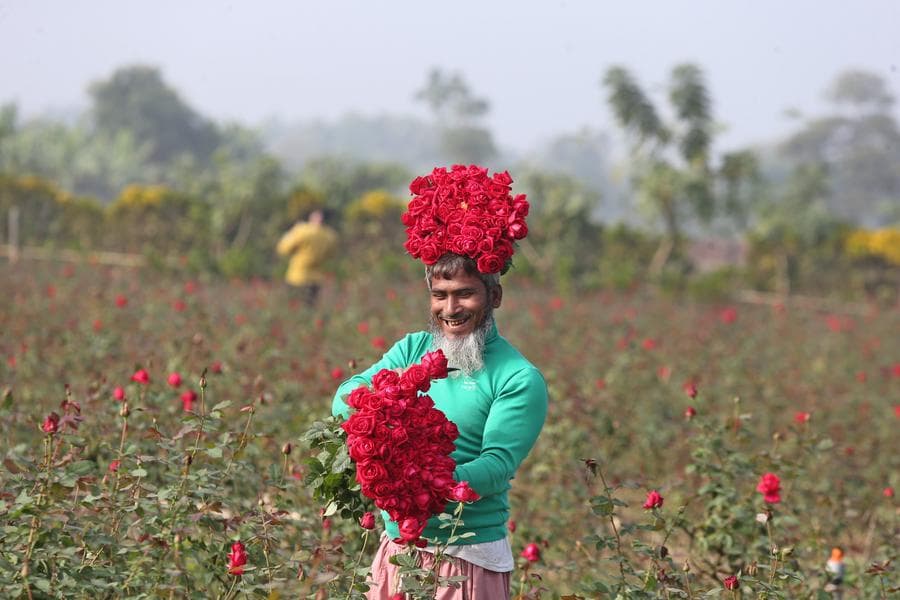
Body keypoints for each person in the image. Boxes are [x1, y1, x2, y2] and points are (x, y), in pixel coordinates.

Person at [332, 165, 548, 599]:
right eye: (440, 295)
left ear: (495, 297)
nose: (451, 309)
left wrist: (419, 478)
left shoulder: (517, 378)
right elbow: (345, 398)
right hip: (398, 547)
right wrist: (387, 445)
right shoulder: (413, 350)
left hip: (465, 555)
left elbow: (494, 467)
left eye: (465, 293)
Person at [276, 209, 337, 306]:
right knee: (310, 306)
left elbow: (283, 248)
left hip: (297, 277)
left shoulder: (302, 231)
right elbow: (331, 255)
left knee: (293, 307)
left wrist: (293, 231)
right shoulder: (330, 236)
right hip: (316, 278)